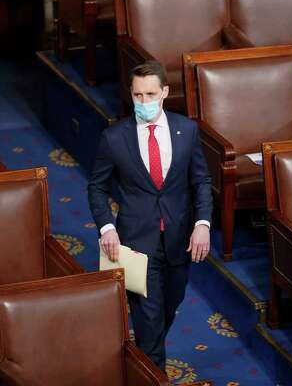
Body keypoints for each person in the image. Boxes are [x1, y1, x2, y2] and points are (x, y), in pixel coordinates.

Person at [88, 60, 213, 371]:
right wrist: (106, 228)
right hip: (135, 243)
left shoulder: (187, 130)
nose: (143, 102)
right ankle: (152, 371)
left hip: (178, 240)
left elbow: (201, 181)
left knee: (168, 307)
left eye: (150, 94)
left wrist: (202, 224)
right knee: (149, 320)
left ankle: (142, 361)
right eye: (137, 95)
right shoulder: (115, 137)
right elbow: (96, 187)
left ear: (165, 92)